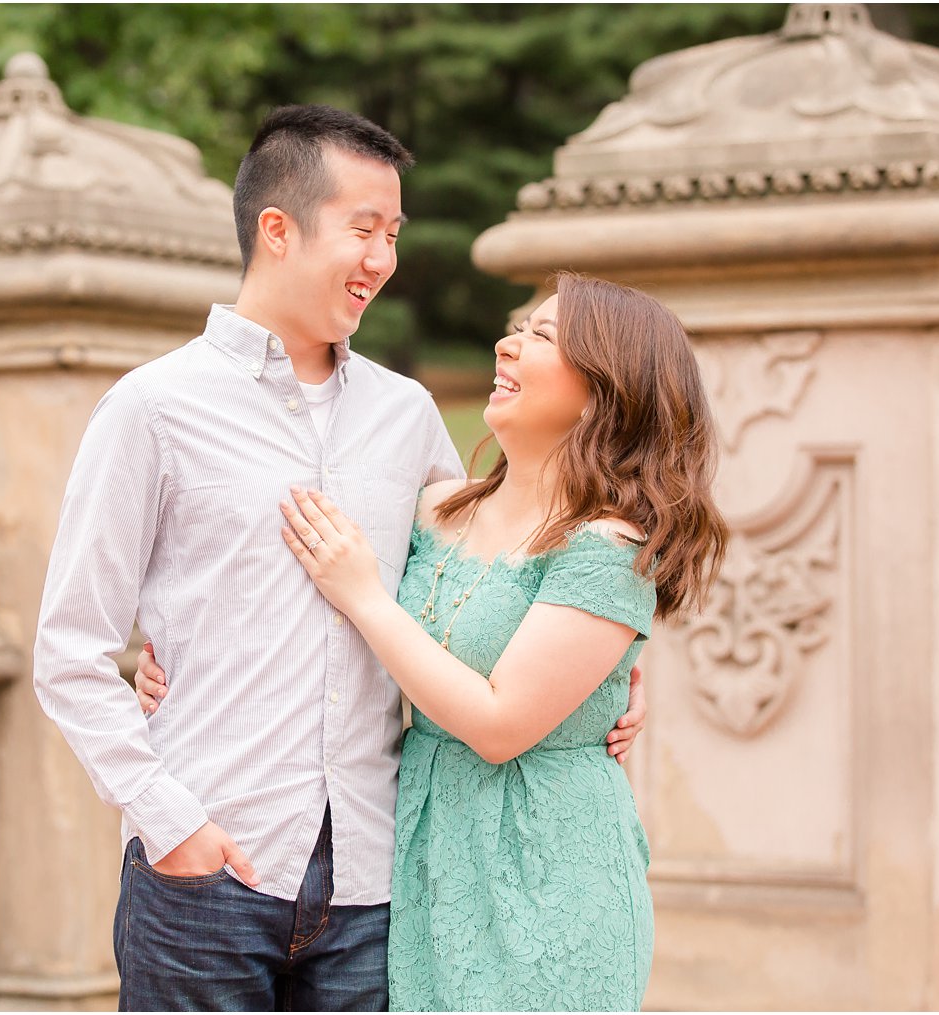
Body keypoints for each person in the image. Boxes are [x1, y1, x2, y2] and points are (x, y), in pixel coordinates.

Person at [33, 105, 645, 1012]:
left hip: (375, 883)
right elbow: (69, 651)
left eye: (393, 232)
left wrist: (614, 674)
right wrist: (172, 824)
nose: (383, 259)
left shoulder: (407, 416)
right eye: (364, 229)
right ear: (277, 230)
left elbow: (492, 569)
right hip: (207, 874)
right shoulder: (152, 409)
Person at [263, 273, 726, 1010]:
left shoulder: (608, 547)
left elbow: (501, 723)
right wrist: (169, 666)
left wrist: (362, 593)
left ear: (607, 391)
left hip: (552, 871)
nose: (507, 344)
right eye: (518, 328)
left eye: (542, 336)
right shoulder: (432, 507)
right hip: (426, 855)